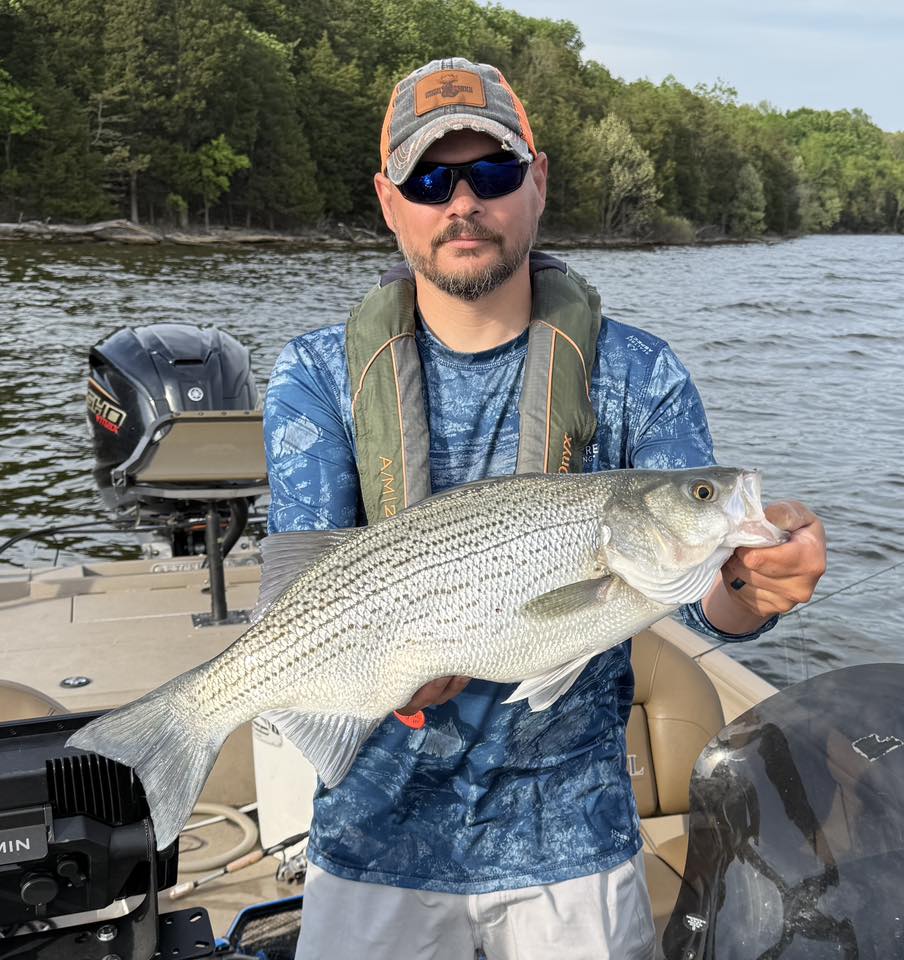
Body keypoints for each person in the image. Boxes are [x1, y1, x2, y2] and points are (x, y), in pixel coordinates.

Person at [264, 57, 827, 960]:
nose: (462, 203)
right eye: (429, 178)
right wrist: (391, 672)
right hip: (372, 840)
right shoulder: (314, 376)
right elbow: (306, 585)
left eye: (490, 172)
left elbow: (702, 598)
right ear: (387, 199)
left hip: (576, 837)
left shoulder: (641, 373)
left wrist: (754, 590)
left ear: (537, 181)